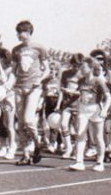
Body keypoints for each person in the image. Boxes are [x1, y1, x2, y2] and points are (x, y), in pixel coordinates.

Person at [11, 20, 50, 165]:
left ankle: (37, 143)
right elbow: (14, 70)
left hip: (34, 87)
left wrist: (40, 79)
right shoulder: (16, 50)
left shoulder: (39, 48)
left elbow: (47, 69)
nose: (18, 35)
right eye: (17, 32)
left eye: (20, 32)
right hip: (19, 87)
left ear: (27, 32)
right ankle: (26, 155)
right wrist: (9, 84)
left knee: (28, 120)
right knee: (21, 124)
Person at [69, 57, 111, 172]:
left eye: (84, 67)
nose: (81, 69)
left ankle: (100, 162)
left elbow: (109, 97)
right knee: (80, 134)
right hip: (83, 109)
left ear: (91, 68)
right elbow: (81, 93)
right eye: (81, 67)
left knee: (98, 137)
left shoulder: (99, 80)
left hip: (95, 109)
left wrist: (105, 110)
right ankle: (79, 162)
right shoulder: (81, 80)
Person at [55, 53, 84, 159]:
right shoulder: (65, 74)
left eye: (79, 65)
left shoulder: (83, 75)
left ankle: (77, 150)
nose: (76, 67)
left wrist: (70, 91)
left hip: (78, 104)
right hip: (66, 104)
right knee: (63, 125)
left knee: (77, 129)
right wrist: (58, 104)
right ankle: (68, 148)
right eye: (75, 65)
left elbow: (82, 92)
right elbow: (62, 90)